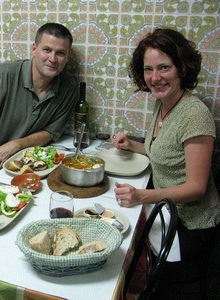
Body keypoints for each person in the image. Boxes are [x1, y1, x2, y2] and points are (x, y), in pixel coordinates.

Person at [112, 28, 220, 299]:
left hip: (192, 224)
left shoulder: (195, 114)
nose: (155, 78)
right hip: (167, 209)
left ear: (182, 68)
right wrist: (132, 145)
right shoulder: (162, 104)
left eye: (164, 68)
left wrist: (142, 195)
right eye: (148, 69)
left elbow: (196, 187)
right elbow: (163, 151)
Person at [0, 22, 78, 200]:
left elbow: (51, 132)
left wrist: (17, 144)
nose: (53, 58)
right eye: (47, 50)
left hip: (21, 164)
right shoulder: (2, 75)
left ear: (68, 57)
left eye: (60, 53)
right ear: (34, 49)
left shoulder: (69, 86)